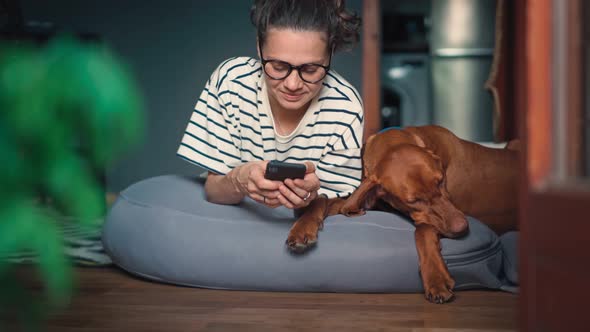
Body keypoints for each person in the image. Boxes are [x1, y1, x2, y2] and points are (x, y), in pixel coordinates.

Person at [177, 0, 363, 211]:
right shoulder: (231, 82)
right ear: (259, 47)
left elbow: (339, 205)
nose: (293, 84)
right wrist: (240, 180)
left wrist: (313, 199)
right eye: (278, 66)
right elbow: (214, 191)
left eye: (310, 69)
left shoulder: (346, 107)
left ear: (330, 54)